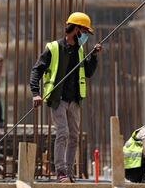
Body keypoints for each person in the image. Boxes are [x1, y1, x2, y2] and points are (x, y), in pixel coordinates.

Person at [30, 12, 102, 183]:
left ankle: (69, 173)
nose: (85, 36)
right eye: (84, 32)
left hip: (74, 100)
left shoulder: (80, 50)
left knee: (74, 136)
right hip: (58, 99)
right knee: (63, 133)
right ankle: (61, 172)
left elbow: (89, 73)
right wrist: (35, 93)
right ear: (75, 30)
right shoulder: (53, 48)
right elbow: (36, 70)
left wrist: (94, 56)